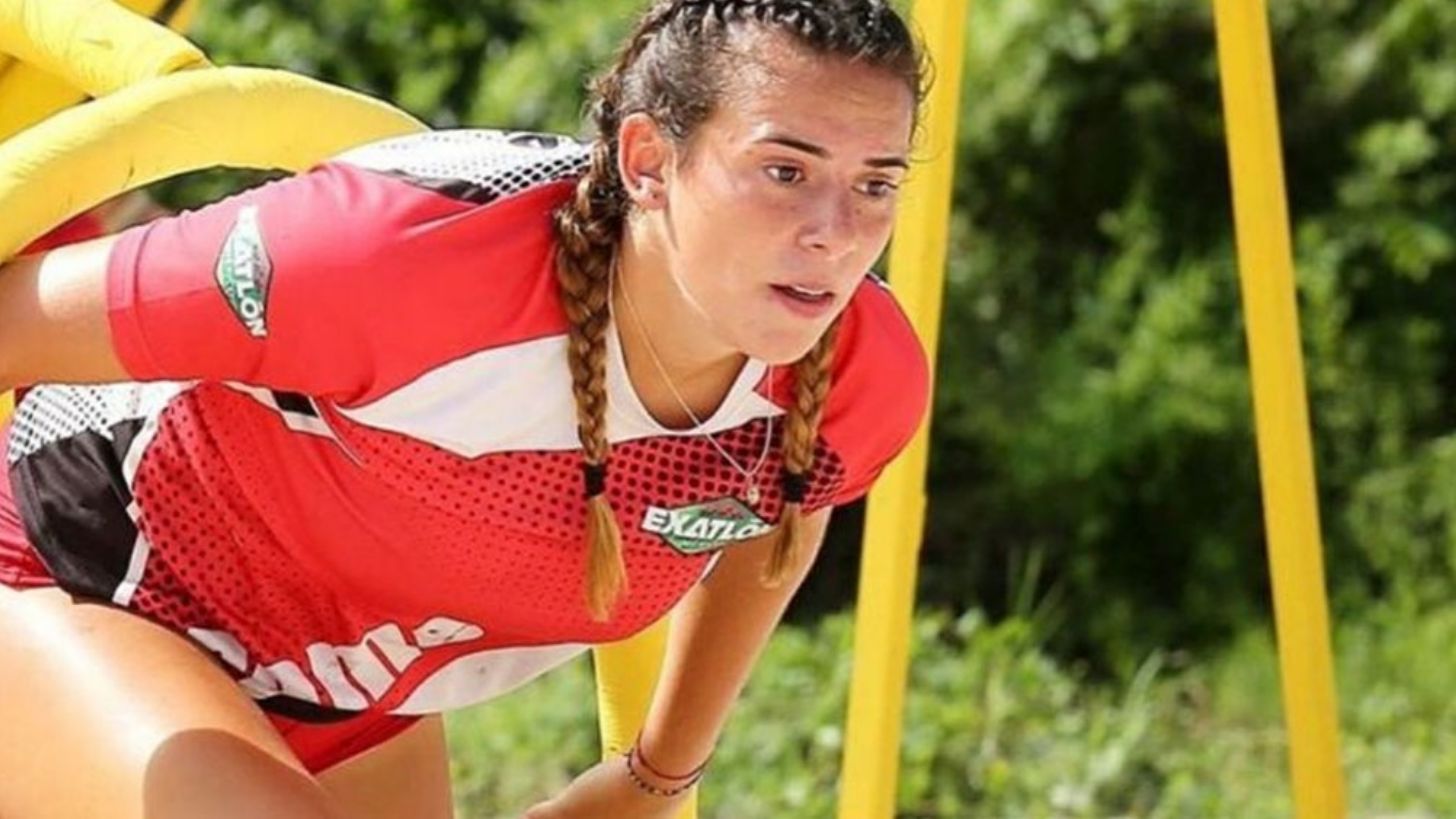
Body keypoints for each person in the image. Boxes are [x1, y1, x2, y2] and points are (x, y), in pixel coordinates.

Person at [0, 0, 929, 816]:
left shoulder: (858, 377)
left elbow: (780, 513)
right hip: (77, 564)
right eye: (785, 171)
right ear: (648, 159)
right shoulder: (395, 257)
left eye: (876, 183)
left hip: (345, 688)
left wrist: (654, 774)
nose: (835, 233)